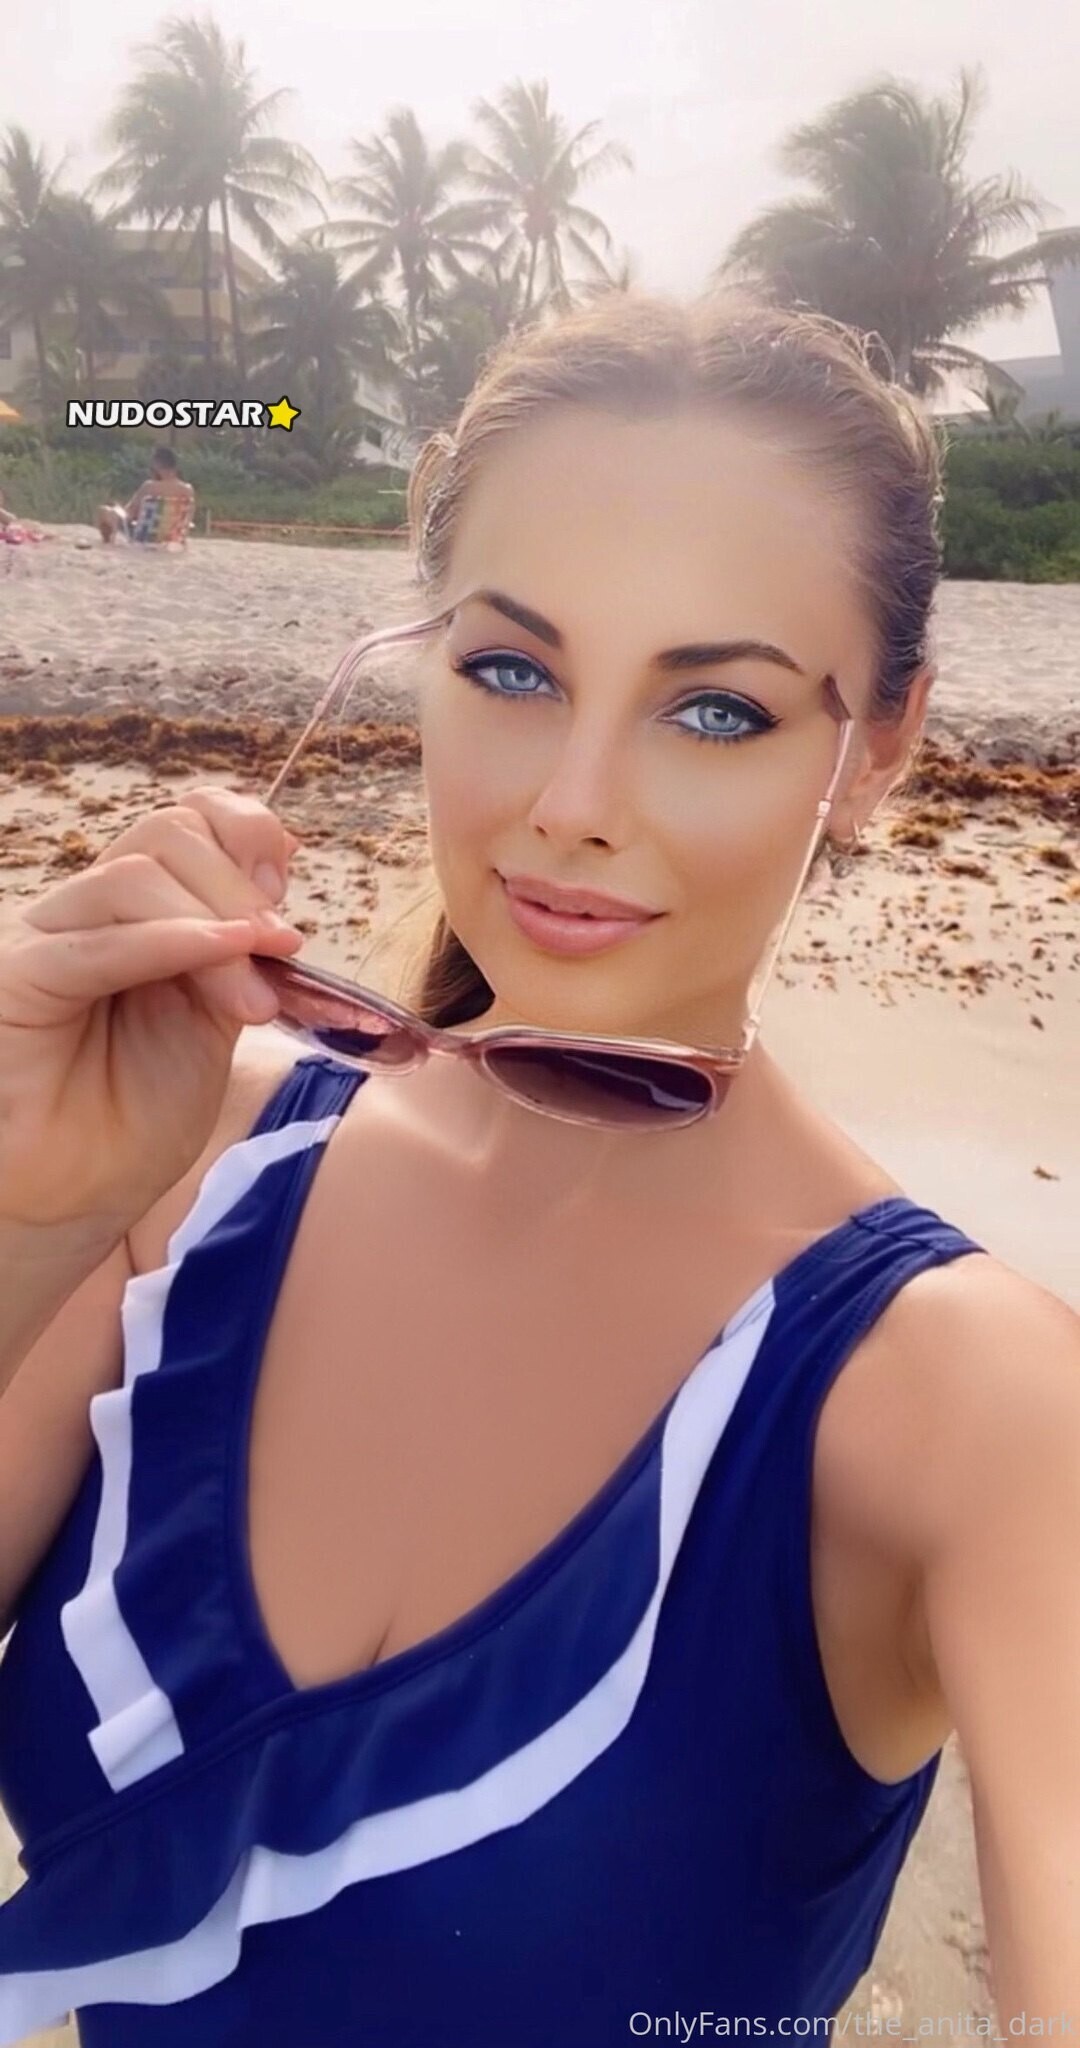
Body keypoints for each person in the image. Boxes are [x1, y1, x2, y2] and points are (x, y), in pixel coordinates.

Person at [0, 288, 1077, 2045]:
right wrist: (23, 1216)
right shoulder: (178, 1164)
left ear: (876, 747)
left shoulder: (973, 1410)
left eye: (714, 709)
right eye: (512, 671)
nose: (571, 800)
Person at [96, 443, 194, 544]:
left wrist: (117, 509)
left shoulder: (149, 487)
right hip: (173, 537)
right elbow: (187, 519)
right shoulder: (188, 489)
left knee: (104, 510)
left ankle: (107, 543)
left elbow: (129, 514)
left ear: (156, 465)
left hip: (144, 537)